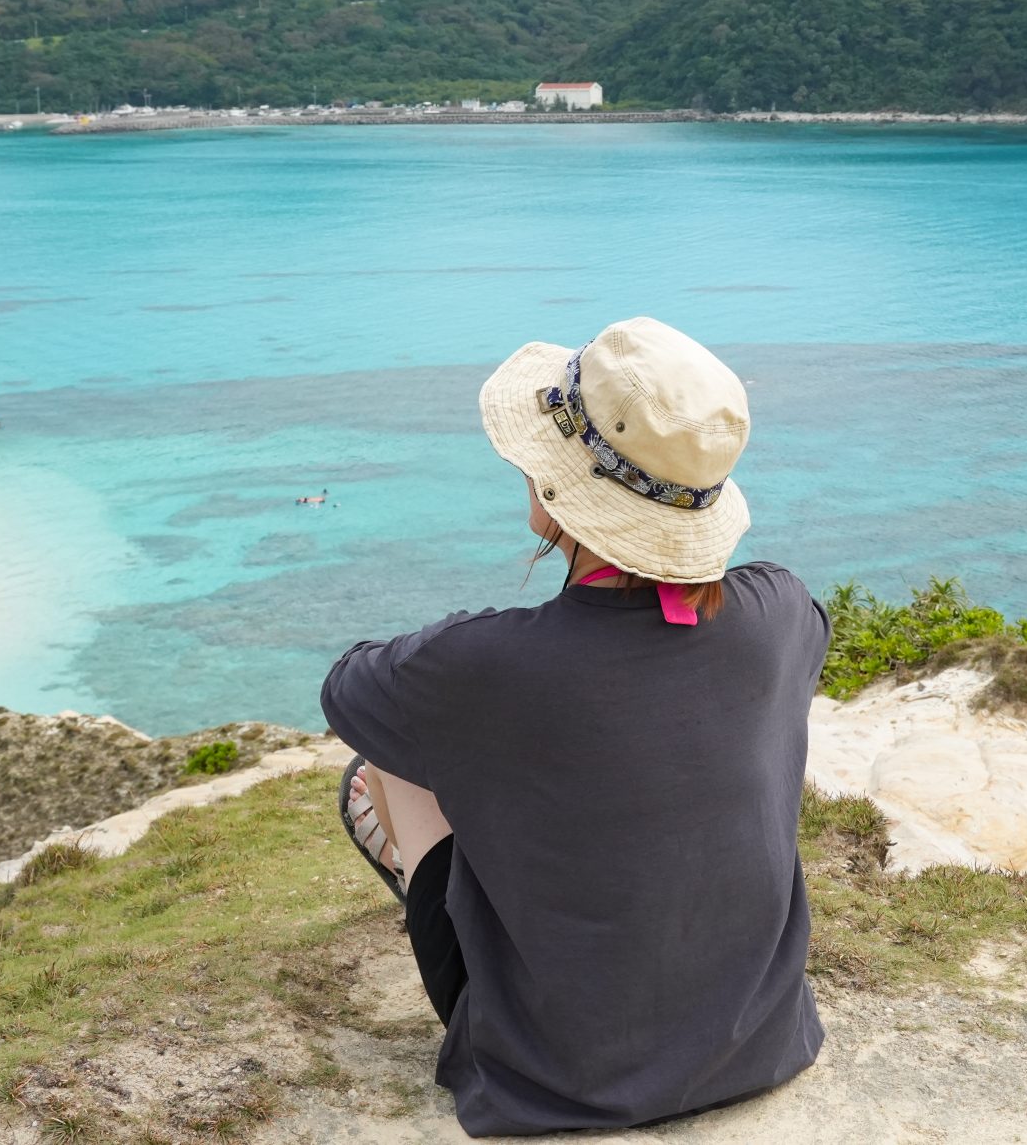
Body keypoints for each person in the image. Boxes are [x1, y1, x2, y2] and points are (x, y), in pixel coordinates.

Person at [321, 317, 830, 1136]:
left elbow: (349, 687)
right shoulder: (781, 609)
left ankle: (483, 939)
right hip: (758, 1041)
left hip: (554, 1077)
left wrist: (464, 649)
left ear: (564, 486)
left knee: (374, 767)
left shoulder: (483, 663)